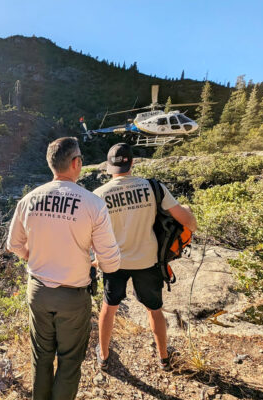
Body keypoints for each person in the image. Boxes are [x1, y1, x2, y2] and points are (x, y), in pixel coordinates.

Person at [7, 137, 121, 400]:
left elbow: (13, 244)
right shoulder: (92, 203)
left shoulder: (29, 199)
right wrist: (94, 262)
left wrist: (32, 256)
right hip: (73, 296)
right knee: (69, 361)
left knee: (41, 357)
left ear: (51, 164)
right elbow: (111, 262)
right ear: (76, 163)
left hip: (38, 291)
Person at [92, 143, 197, 371]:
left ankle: (104, 355)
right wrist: (190, 213)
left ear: (109, 167)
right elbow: (187, 221)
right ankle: (164, 358)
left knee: (109, 308)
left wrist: (96, 259)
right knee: (154, 310)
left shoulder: (98, 196)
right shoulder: (153, 187)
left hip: (114, 262)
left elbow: (91, 234)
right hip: (148, 261)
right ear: (132, 163)